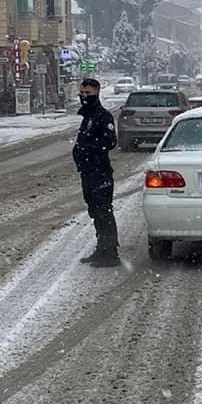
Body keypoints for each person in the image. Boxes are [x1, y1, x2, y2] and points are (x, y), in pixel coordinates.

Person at [74, 77, 120, 267]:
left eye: (88, 93)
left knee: (104, 212)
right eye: (82, 93)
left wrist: (89, 150)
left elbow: (109, 142)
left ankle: (111, 254)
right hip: (88, 172)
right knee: (95, 211)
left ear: (97, 93)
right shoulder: (88, 116)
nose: (84, 97)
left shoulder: (102, 116)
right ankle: (101, 249)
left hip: (99, 172)